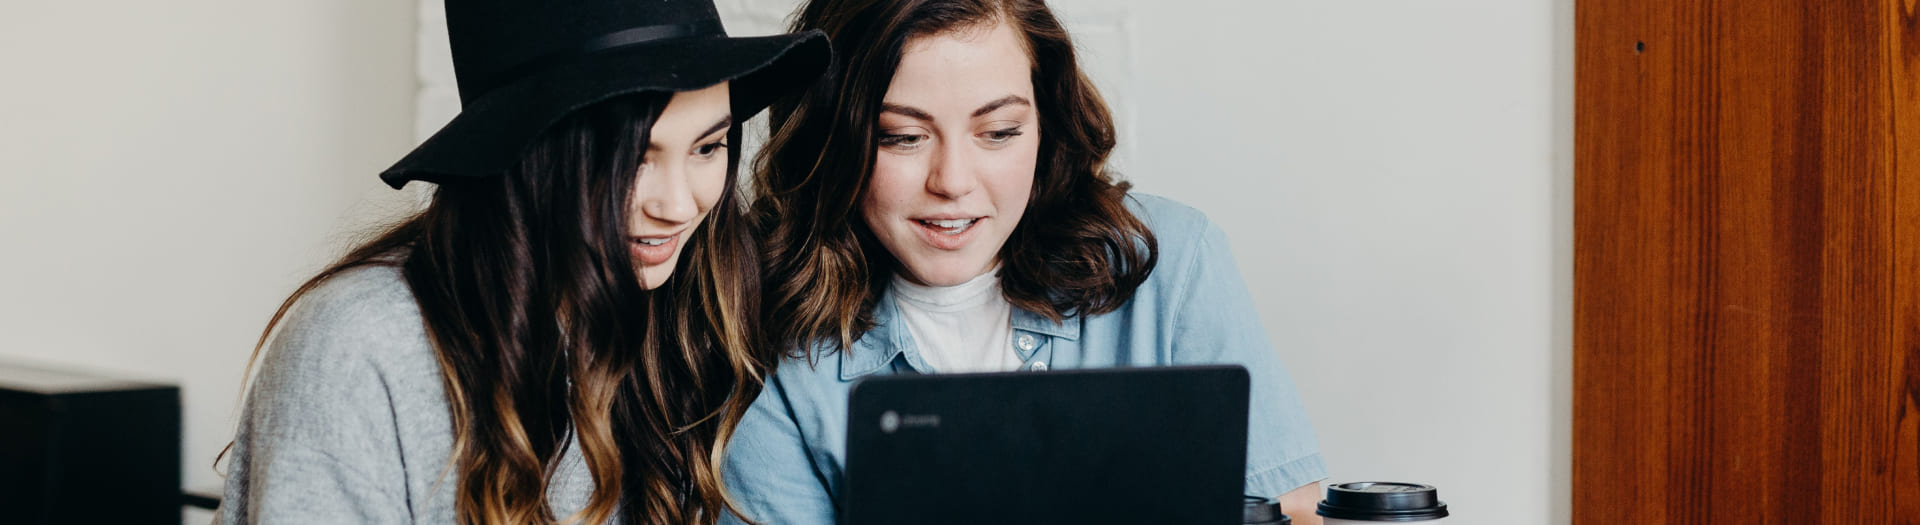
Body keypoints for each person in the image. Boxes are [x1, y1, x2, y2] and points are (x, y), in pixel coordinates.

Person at [214, 1, 827, 523]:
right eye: (633, 158)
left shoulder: (692, 313)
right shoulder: (361, 346)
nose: (679, 203)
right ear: (529, 155)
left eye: (708, 147)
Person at [721, 0, 1326, 523]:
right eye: (902, 137)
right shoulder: (759, 326)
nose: (953, 182)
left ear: (1047, 123)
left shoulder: (1172, 260)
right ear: (832, 141)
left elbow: (1290, 511)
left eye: (1000, 131)